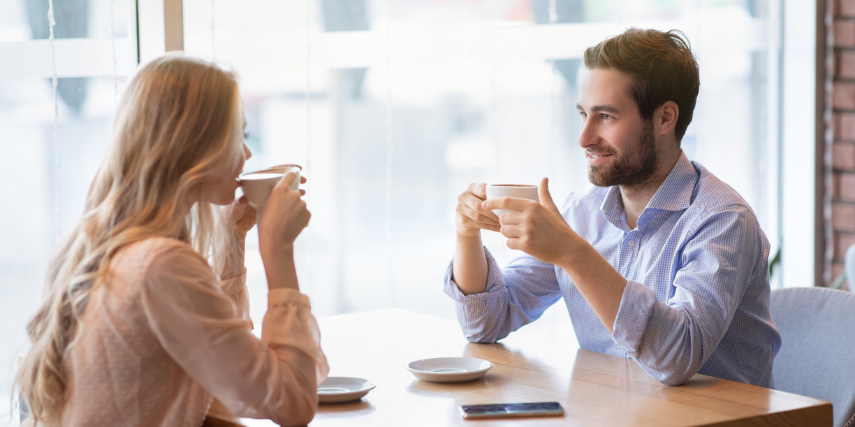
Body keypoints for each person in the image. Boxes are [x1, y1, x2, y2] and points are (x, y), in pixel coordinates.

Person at [445, 28, 781, 387]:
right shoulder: (581, 214)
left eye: (605, 116)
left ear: (666, 118)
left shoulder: (723, 220)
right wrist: (467, 234)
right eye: (583, 114)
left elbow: (677, 357)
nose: (584, 138)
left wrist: (571, 253)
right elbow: (486, 323)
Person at [15, 54, 328, 426]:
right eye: (238, 135)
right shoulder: (159, 264)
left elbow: (218, 365)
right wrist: (278, 252)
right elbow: (290, 402)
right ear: (196, 144)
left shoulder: (102, 246)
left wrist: (232, 238)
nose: (247, 154)